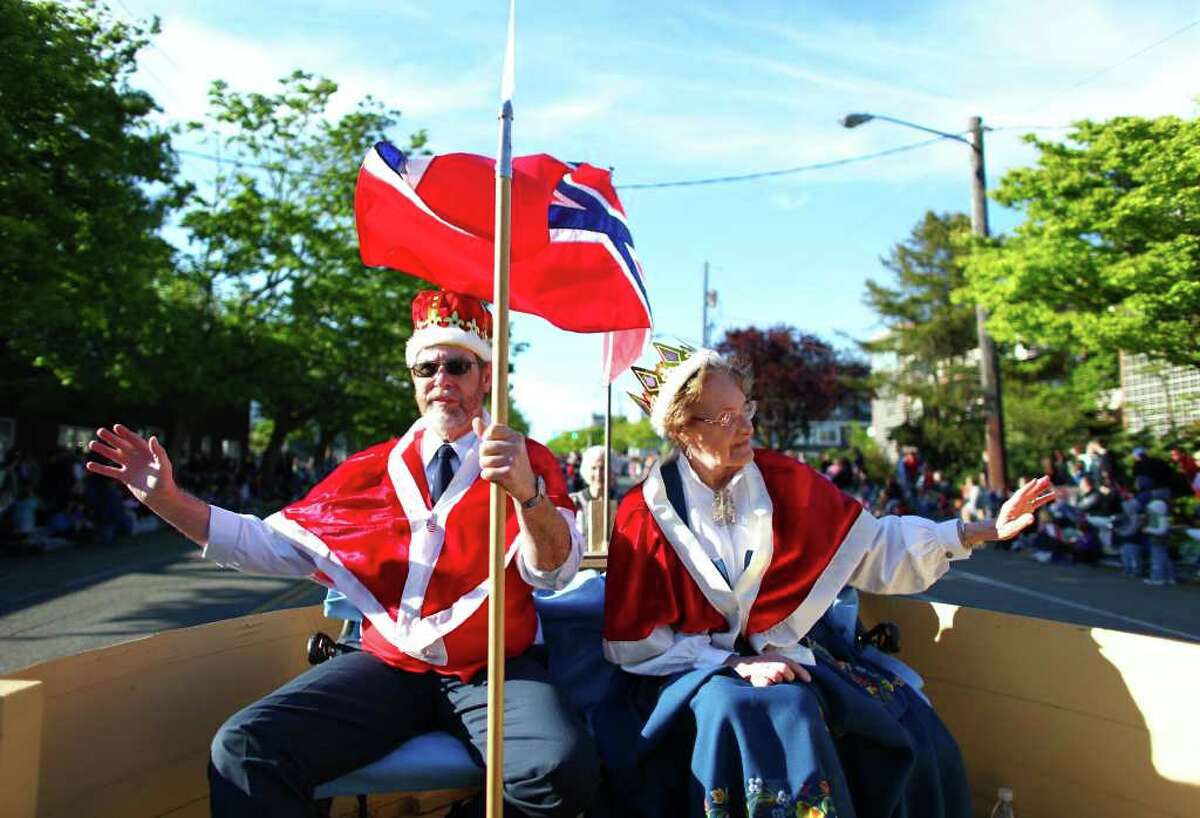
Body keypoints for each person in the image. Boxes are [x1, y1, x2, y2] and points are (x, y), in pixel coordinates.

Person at [87, 290, 599, 818]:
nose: (441, 378)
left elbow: (554, 572)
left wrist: (526, 494)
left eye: (458, 364)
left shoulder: (526, 458)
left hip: (494, 668)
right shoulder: (369, 468)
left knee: (561, 771)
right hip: (385, 667)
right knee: (244, 748)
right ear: (414, 379)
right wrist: (168, 500)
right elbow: (263, 545)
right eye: (427, 366)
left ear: (486, 377)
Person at [599, 345, 1053, 818]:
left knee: (913, 730)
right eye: (726, 417)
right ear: (683, 430)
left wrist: (979, 530)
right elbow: (639, 645)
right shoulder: (644, 513)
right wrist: (731, 662)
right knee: (761, 710)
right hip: (685, 670)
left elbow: (873, 546)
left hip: (789, 654)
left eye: (747, 409)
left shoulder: (784, 482)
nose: (748, 426)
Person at [570, 445, 616, 553]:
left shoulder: (621, 502)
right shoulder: (574, 501)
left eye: (603, 468)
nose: (598, 474)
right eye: (594, 468)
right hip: (583, 565)